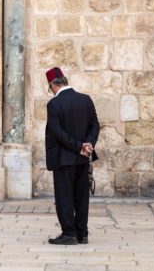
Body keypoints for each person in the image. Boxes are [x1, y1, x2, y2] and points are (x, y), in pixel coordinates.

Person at [45, 67, 100, 245]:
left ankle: (69, 233)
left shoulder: (54, 104)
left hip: (63, 159)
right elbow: (95, 126)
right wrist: (88, 145)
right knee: (82, 197)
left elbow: (57, 132)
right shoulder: (85, 99)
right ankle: (82, 234)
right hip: (84, 158)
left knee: (65, 197)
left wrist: (78, 147)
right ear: (65, 81)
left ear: (52, 85)